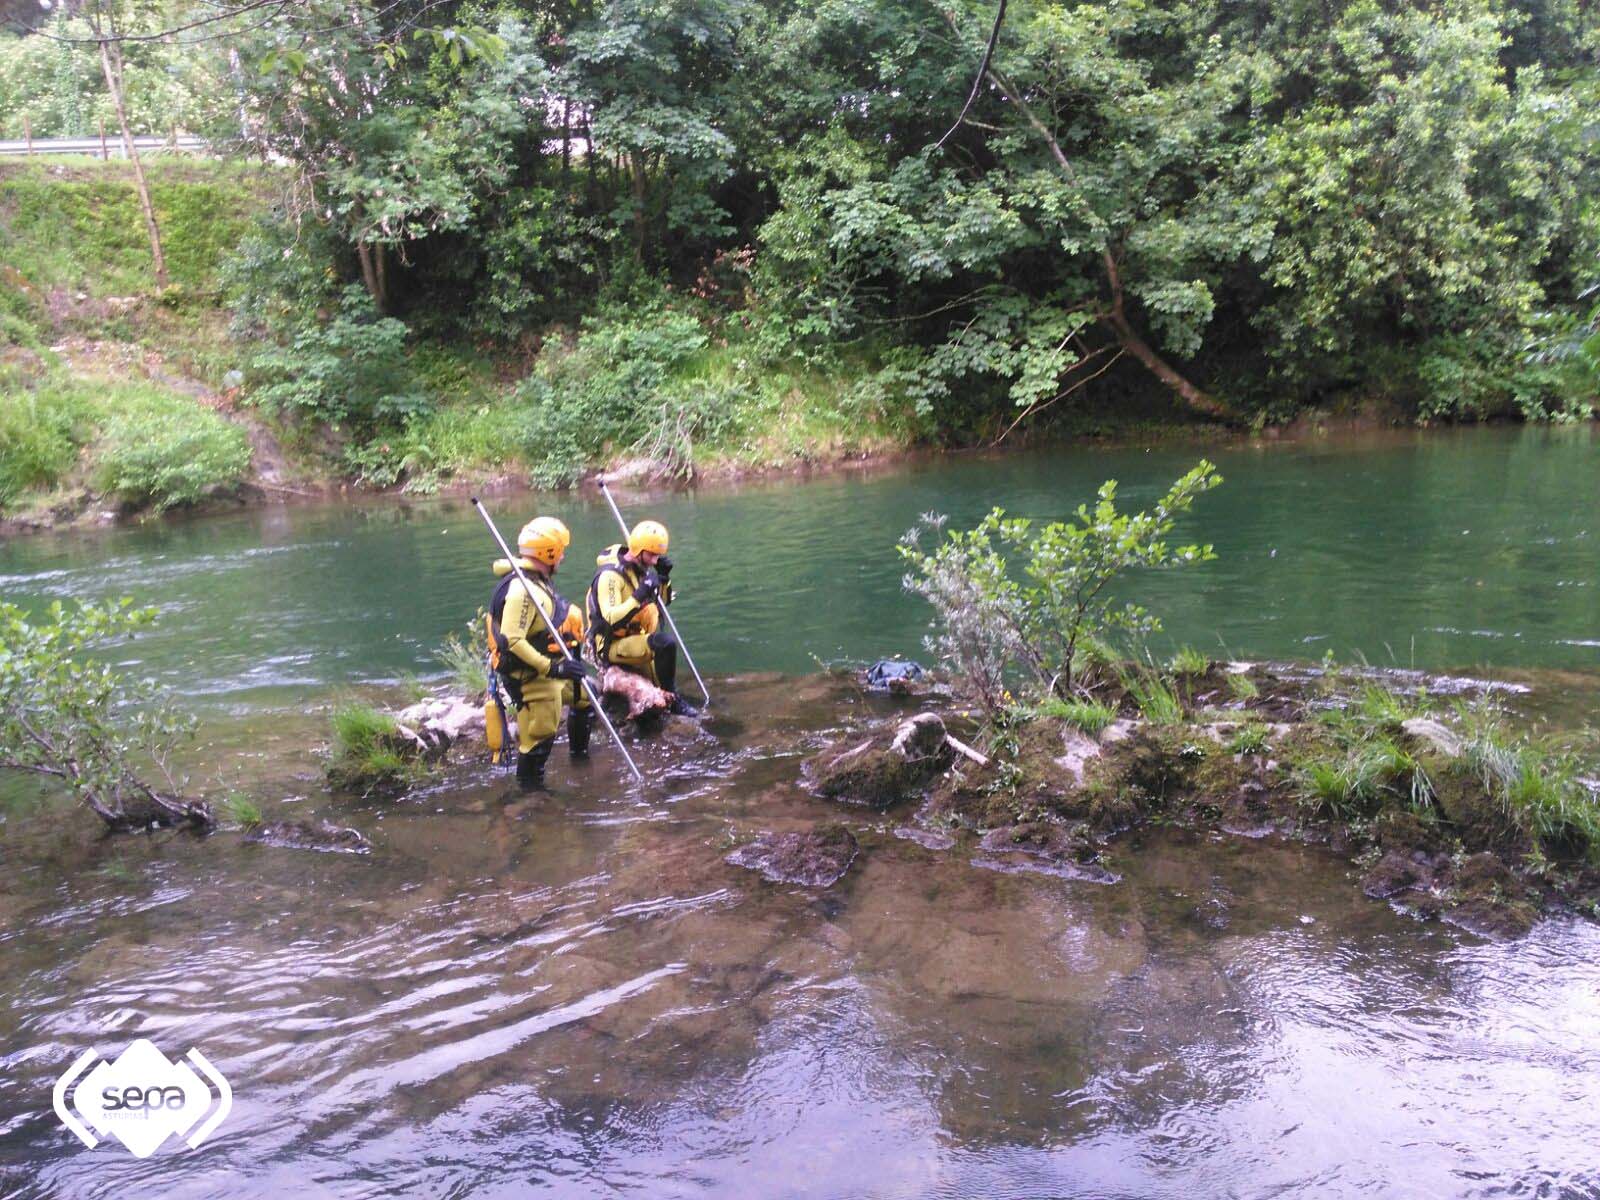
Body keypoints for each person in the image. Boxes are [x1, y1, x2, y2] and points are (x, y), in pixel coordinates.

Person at [487, 516, 592, 790]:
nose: (563, 556)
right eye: (561, 550)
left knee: (583, 698)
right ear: (549, 552)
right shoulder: (523, 589)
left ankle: (580, 760)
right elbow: (512, 639)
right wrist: (553, 668)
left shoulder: (536, 580)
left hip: (548, 668)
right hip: (530, 674)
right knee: (540, 733)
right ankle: (530, 792)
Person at [587, 518, 696, 715]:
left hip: (635, 639)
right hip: (611, 644)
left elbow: (662, 602)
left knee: (658, 686)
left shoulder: (640, 572)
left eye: (658, 556)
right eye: (652, 555)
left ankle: (669, 697)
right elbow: (611, 618)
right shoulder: (610, 577)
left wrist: (663, 578)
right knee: (665, 643)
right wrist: (639, 594)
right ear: (639, 551)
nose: (655, 560)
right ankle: (674, 699)